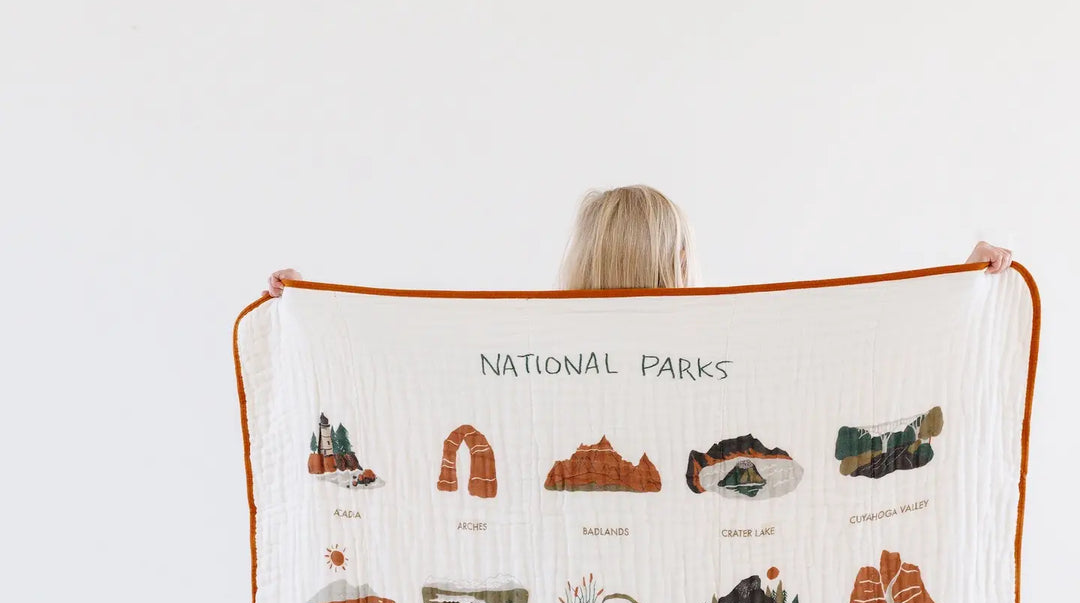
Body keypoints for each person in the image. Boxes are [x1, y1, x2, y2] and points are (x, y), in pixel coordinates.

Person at [263, 185, 1013, 296]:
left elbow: (412, 365)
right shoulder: (725, 334)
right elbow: (851, 358)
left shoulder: (526, 343)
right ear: (677, 258)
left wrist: (310, 304)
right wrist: (961, 282)